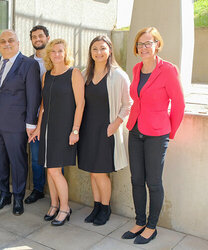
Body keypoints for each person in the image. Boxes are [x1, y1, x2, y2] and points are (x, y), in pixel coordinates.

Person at [121, 27, 185, 244]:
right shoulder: (137, 68)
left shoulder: (168, 70)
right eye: (140, 44)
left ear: (157, 44)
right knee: (136, 179)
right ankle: (139, 222)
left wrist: (170, 133)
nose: (144, 47)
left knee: (153, 182)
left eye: (149, 43)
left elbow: (178, 104)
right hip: (136, 129)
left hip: (157, 133)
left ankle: (151, 226)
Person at [77, 35, 132, 226]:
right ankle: (97, 206)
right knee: (92, 172)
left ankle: (105, 208)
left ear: (109, 50)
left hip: (105, 131)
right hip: (87, 131)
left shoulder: (118, 75)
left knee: (101, 172)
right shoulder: (85, 74)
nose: (98, 52)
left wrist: (114, 125)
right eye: (95, 49)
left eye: (102, 48)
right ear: (90, 53)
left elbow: (128, 104)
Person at [31, 38, 85, 226]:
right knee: (49, 168)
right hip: (47, 128)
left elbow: (81, 104)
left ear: (66, 53)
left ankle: (65, 208)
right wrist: (38, 127)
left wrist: (75, 130)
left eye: (60, 51)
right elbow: (43, 106)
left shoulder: (74, 73)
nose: (56, 54)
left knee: (55, 170)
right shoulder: (47, 75)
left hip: (64, 129)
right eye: (53, 51)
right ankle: (54, 205)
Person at [0, 29, 41, 215]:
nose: (7, 44)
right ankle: (4, 193)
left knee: (18, 161)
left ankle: (18, 196)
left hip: (17, 124)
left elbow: (34, 95)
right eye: (3, 41)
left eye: (11, 40)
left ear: (18, 43)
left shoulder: (29, 64)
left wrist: (31, 123)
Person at [25, 25, 50, 204]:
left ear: (47, 38)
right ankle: (38, 189)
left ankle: (58, 192)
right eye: (34, 37)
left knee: (57, 157)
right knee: (35, 156)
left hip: (54, 115)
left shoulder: (57, 59)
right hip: (34, 116)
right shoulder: (27, 63)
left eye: (40, 36)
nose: (38, 39)